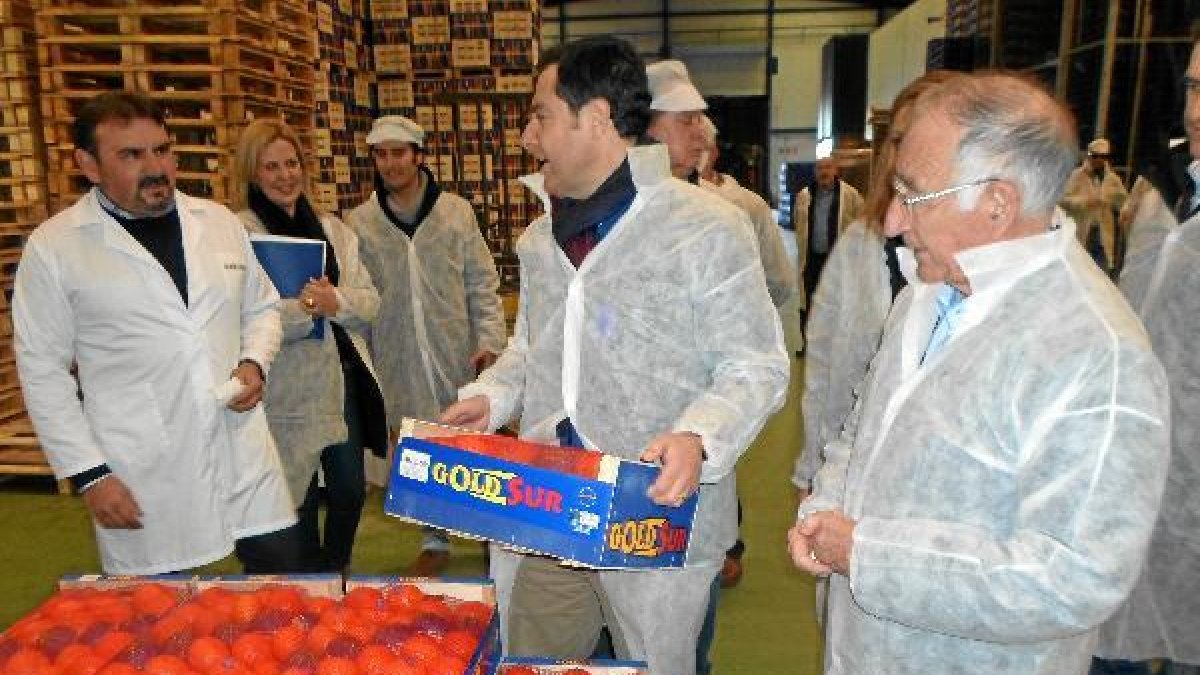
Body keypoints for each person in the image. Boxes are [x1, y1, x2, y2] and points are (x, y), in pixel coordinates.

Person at [788, 71, 1170, 674]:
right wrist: (824, 506)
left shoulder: (1097, 354)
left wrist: (866, 553)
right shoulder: (928, 289)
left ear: (996, 202)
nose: (891, 222)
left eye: (912, 195)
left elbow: (1074, 576)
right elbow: (864, 428)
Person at [441, 36, 789, 675]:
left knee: (654, 661)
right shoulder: (541, 238)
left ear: (594, 118)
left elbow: (755, 364)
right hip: (548, 501)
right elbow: (531, 352)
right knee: (532, 661)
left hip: (650, 508)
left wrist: (698, 437)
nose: (527, 138)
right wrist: (490, 398)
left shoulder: (704, 228)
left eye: (540, 116)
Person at [12, 92, 300, 575]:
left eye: (162, 150)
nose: (155, 167)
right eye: (131, 155)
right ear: (89, 164)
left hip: (241, 450)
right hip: (145, 467)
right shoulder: (57, 247)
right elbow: (43, 370)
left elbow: (262, 307)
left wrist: (253, 362)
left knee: (282, 583)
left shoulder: (218, 223)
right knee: (159, 614)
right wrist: (90, 474)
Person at [346, 115, 507, 576]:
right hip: (396, 354)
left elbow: (481, 281)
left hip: (457, 349)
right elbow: (360, 294)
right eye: (382, 154)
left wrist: (490, 339)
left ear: (418, 155)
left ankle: (491, 535)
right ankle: (435, 540)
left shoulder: (455, 212)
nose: (391, 163)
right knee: (417, 447)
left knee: (474, 446)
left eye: (400, 152)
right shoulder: (361, 222)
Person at [791, 70, 958, 503]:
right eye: (900, 140)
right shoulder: (862, 244)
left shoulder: (984, 262)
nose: (909, 155)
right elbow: (825, 363)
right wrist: (813, 466)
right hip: (854, 467)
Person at [1090, 27, 1200, 675]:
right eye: (1191, 86)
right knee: (1116, 640)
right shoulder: (1162, 196)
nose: (1195, 110)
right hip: (1136, 472)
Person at [231, 120, 388, 573]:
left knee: (349, 489)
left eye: (291, 164)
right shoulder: (239, 234)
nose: (285, 176)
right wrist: (303, 309)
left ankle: (332, 572)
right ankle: (302, 581)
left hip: (339, 382)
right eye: (271, 167)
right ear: (252, 173)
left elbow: (369, 301)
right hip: (280, 389)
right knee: (293, 491)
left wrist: (335, 301)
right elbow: (243, 314)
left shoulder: (334, 231)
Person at [696, 115, 797, 310]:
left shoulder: (750, 206)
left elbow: (779, 281)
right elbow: (779, 282)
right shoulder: (750, 204)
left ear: (715, 152)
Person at [793, 156, 864, 312]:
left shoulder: (851, 195)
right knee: (810, 304)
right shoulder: (804, 196)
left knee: (834, 303)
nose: (823, 172)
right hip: (811, 261)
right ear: (814, 172)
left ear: (835, 170)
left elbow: (862, 228)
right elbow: (798, 225)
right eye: (819, 168)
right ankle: (809, 335)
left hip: (837, 261)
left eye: (828, 167)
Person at [1060, 137, 1130, 275]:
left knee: (1100, 271)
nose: (1099, 160)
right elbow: (1062, 200)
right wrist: (1084, 202)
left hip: (1103, 232)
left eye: (1103, 157)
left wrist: (1125, 212)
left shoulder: (1112, 179)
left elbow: (1123, 201)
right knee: (1078, 270)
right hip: (1082, 230)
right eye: (1095, 156)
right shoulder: (1077, 176)